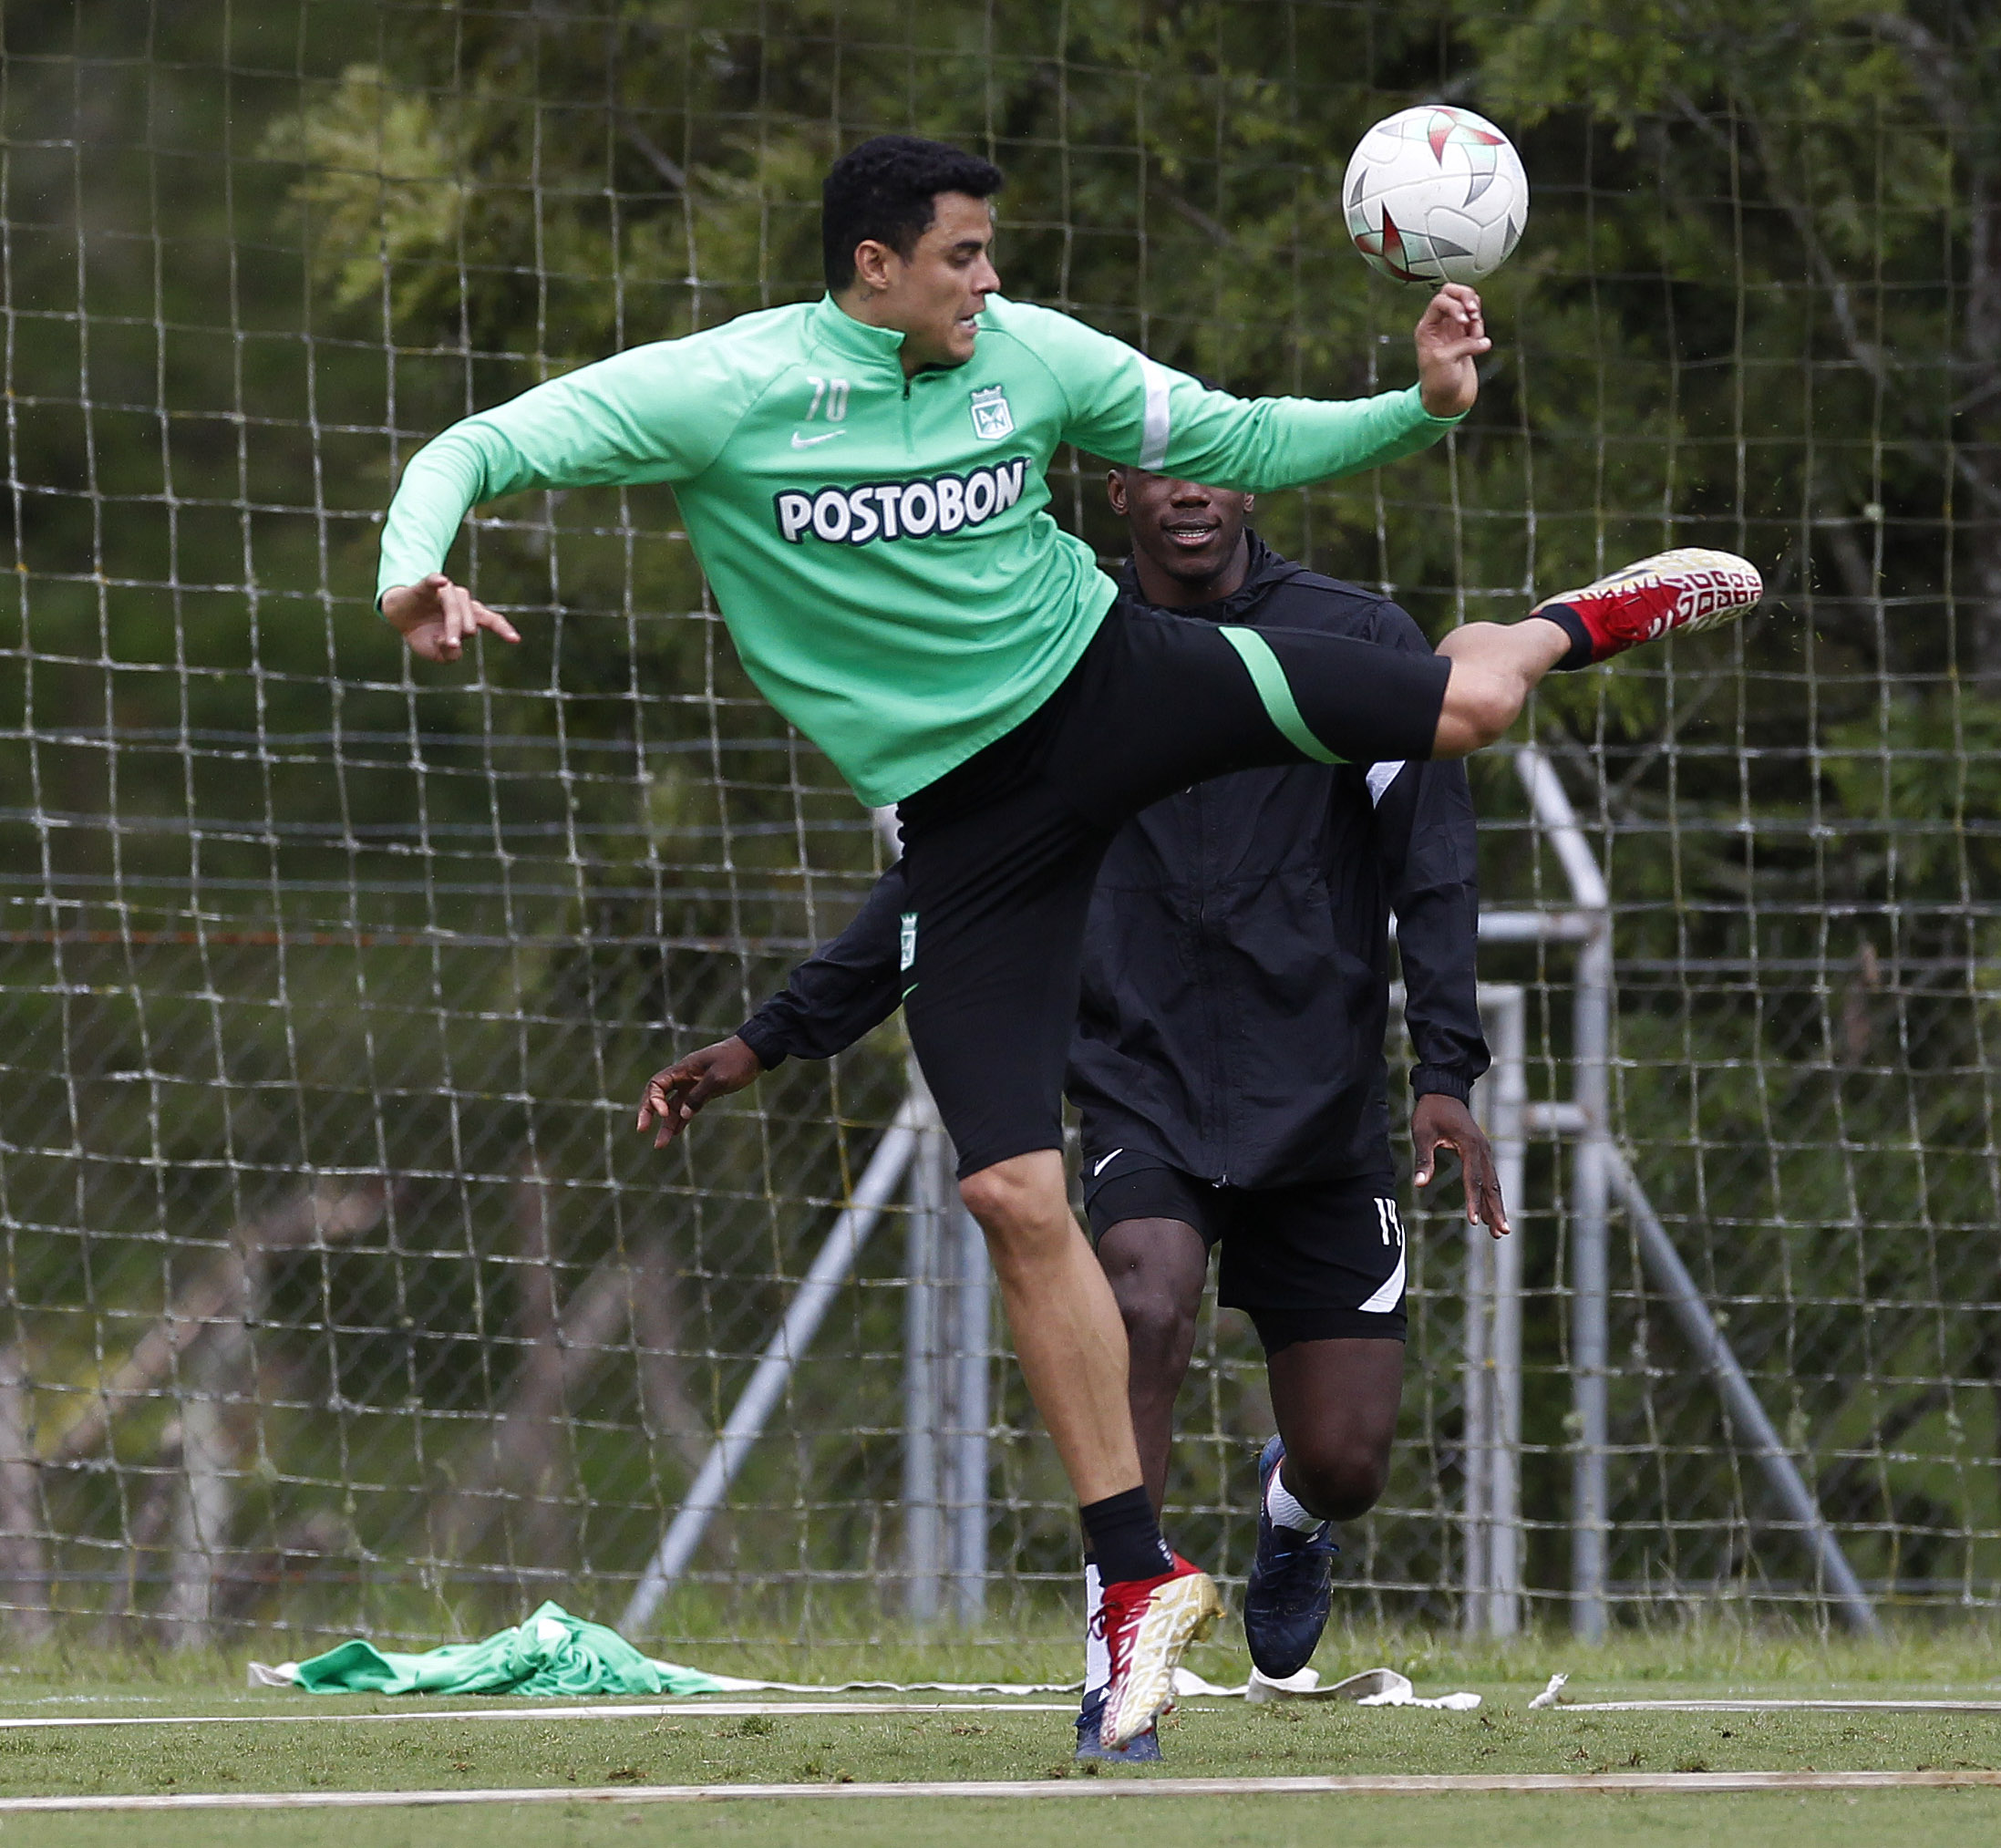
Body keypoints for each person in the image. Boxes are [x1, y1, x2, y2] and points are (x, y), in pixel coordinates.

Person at [374, 132, 1759, 1754]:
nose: (990, 280)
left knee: (1463, 701)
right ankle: (1131, 1584)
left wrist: (1420, 406)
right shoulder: (722, 390)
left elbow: (1240, 434)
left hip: (1110, 686)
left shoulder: (1029, 358)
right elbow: (476, 443)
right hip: (968, 819)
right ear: (874, 266)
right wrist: (416, 570)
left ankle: (1564, 620)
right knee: (1006, 1192)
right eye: (962, 255)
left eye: (989, 254)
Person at [639, 466, 1502, 1761]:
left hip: (1317, 1096)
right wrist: (774, 1036)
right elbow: (957, 874)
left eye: (1213, 474)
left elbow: (1428, 865)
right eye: (1159, 481)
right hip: (1136, 1073)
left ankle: (1289, 1510)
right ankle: (1126, 1632)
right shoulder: (1061, 653)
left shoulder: (1354, 640)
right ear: (1113, 497)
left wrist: (1447, 1071)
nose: (1190, 500)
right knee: (1140, 1294)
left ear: (1249, 485)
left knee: (1349, 1459)